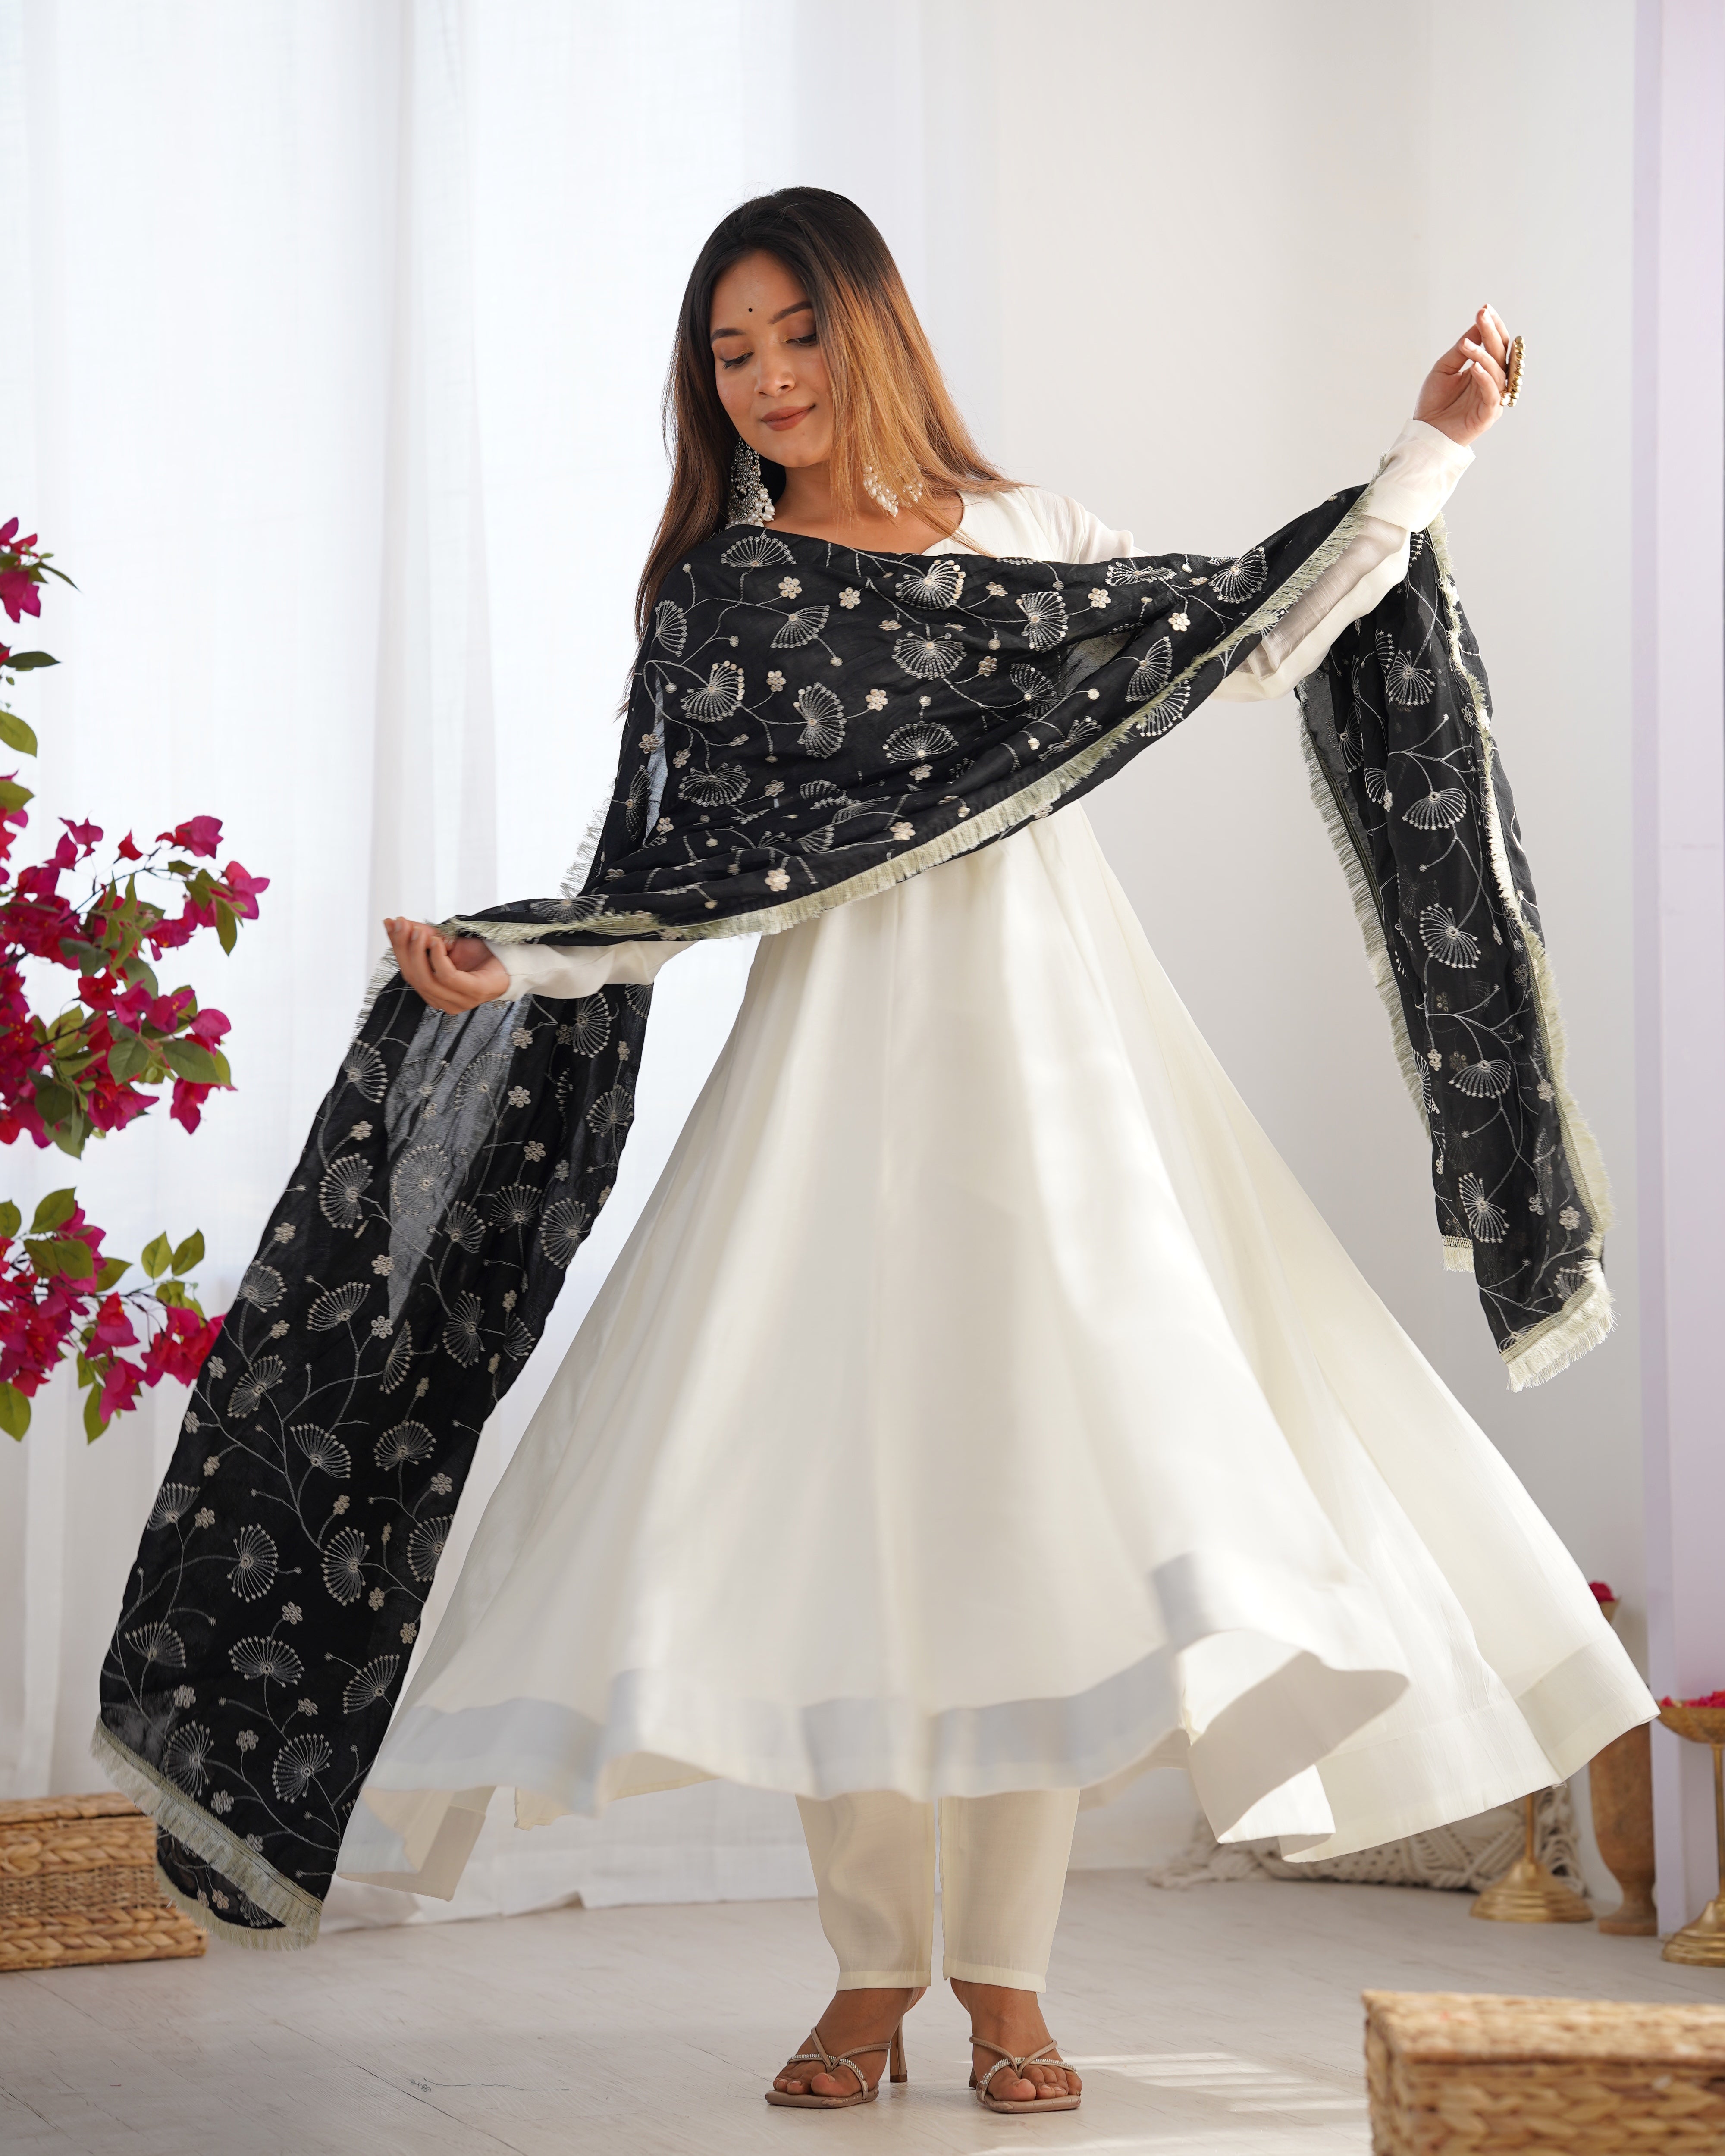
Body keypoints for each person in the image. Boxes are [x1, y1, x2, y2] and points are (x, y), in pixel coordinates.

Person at [268, 191, 1657, 2112]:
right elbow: (675, 878)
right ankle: (870, 1974)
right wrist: (510, 961)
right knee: (838, 1514)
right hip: (829, 1089)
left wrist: (1436, 446)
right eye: (730, 356)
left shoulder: (1033, 541)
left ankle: (1008, 1984)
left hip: (1055, 1077)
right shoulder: (727, 596)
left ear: (873, 327)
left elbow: (1255, 640)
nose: (767, 380)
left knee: (1031, 1519)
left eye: (794, 335)